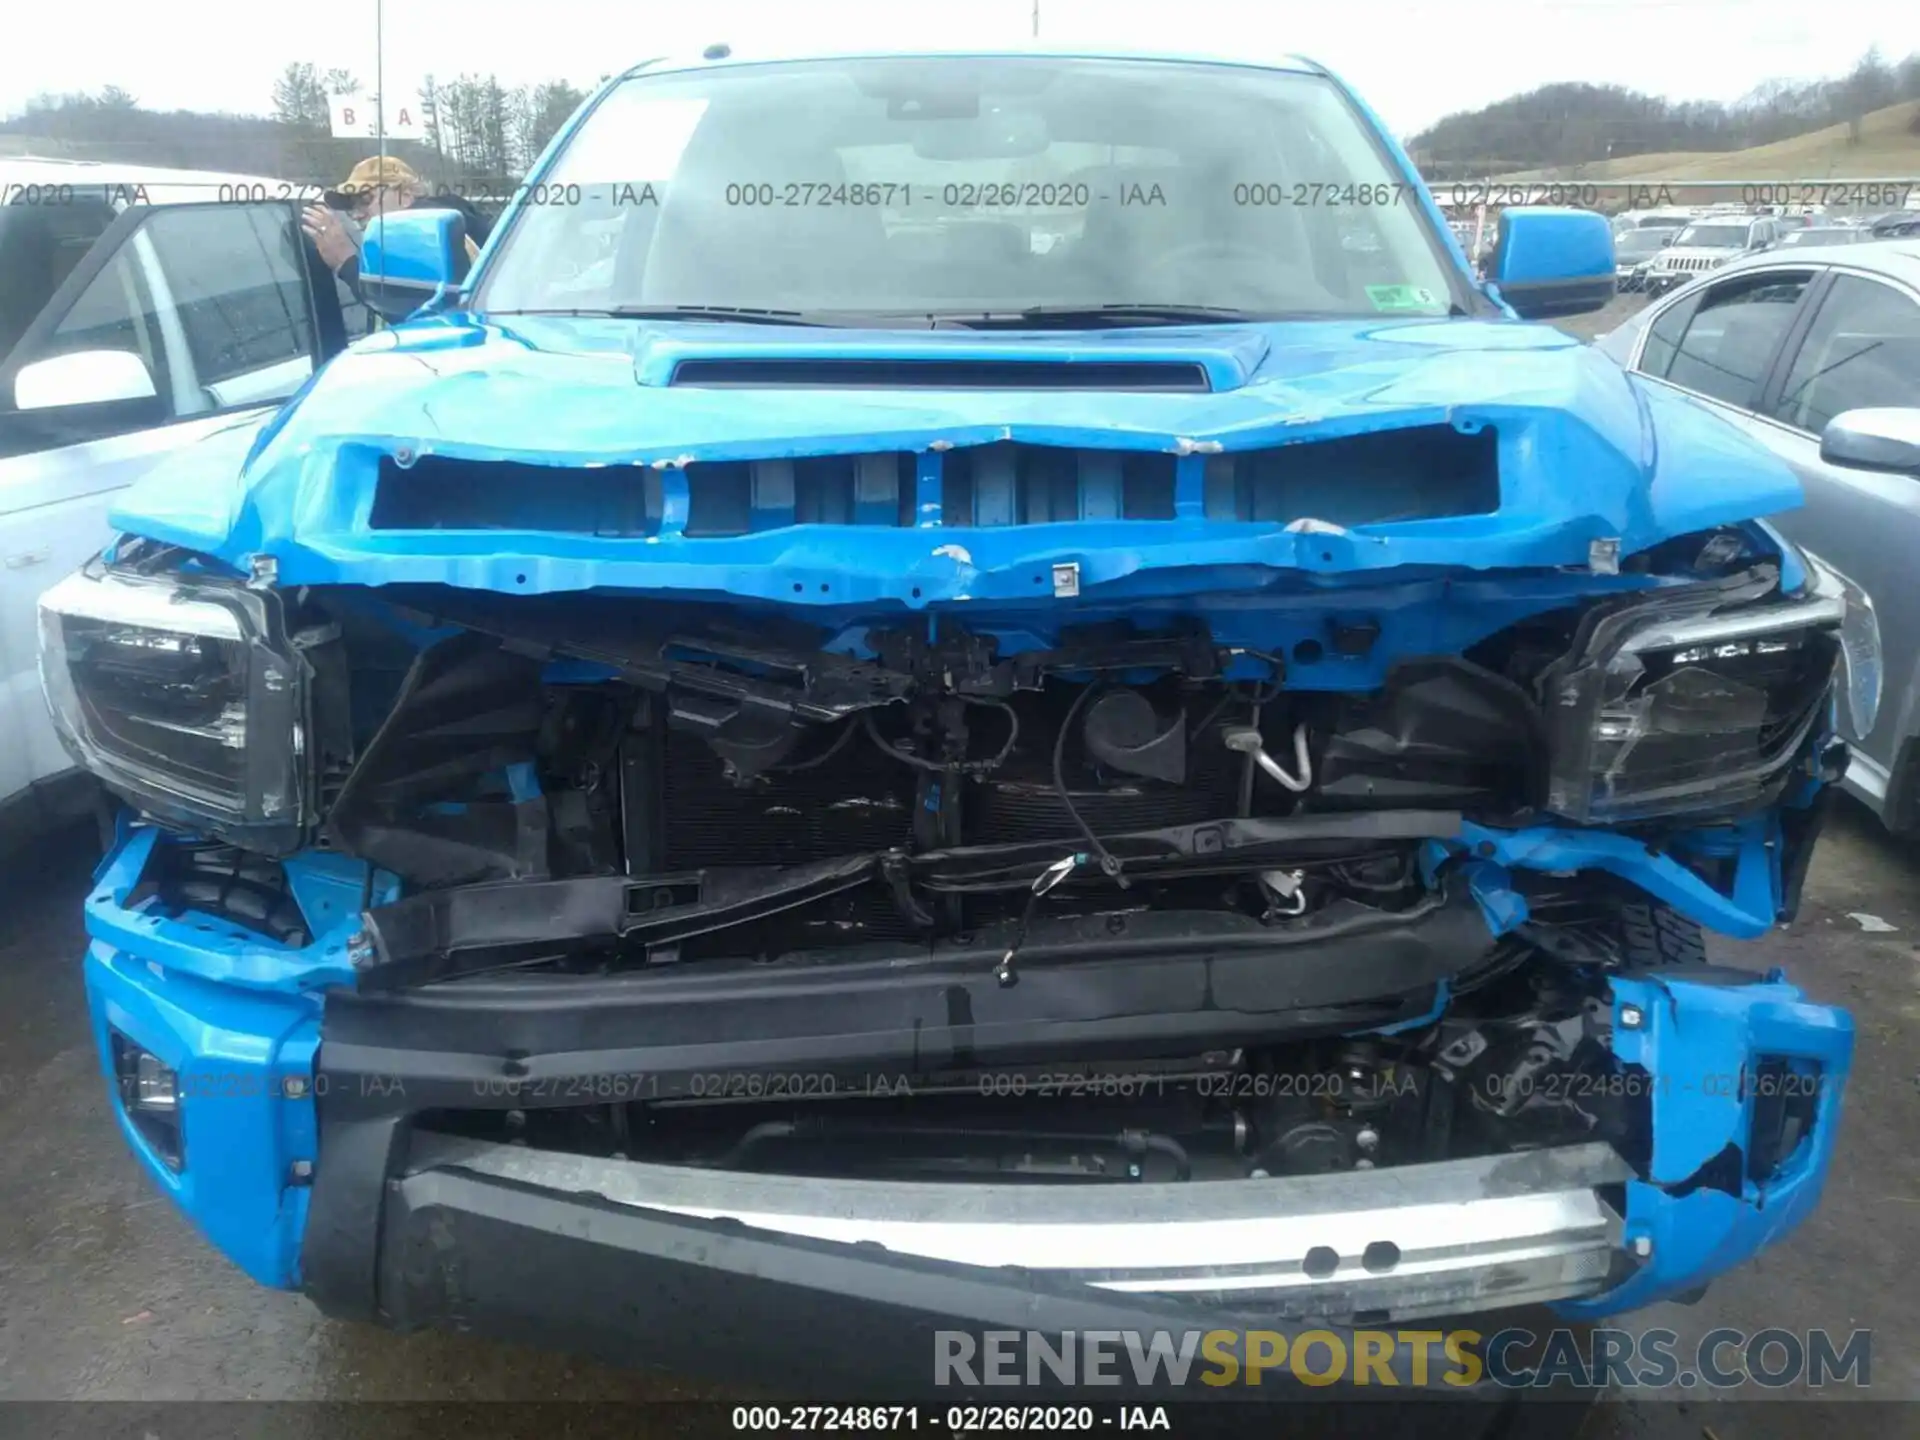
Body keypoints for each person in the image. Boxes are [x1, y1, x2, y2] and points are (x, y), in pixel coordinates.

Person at [301, 156, 489, 303]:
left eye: (366, 200)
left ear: (405, 197)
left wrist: (346, 262)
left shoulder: (426, 237)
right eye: (352, 206)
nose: (357, 214)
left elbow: (415, 311)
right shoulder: (444, 228)